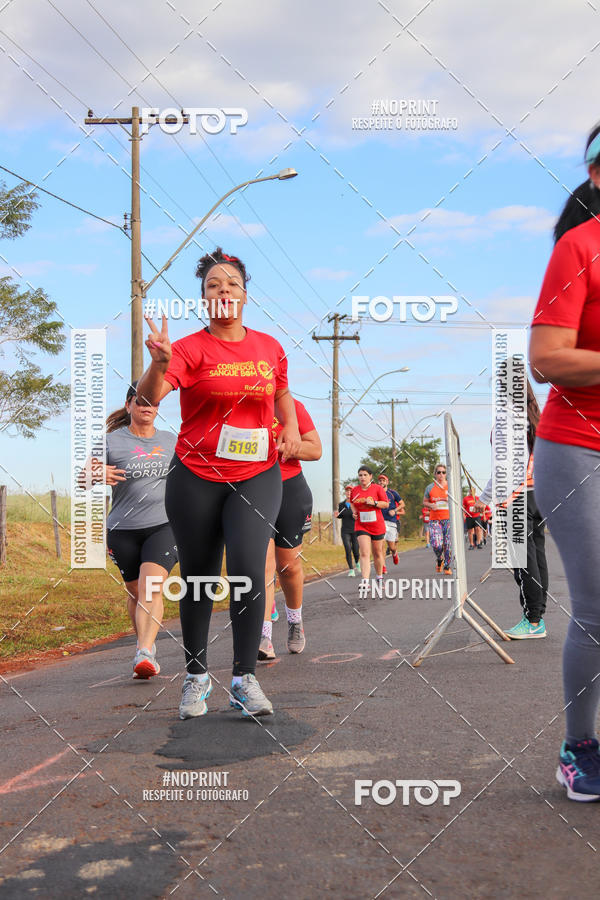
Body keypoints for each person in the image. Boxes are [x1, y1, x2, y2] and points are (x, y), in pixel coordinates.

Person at [136, 247, 301, 720]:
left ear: (245, 294)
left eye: (230, 282)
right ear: (204, 299)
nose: (222, 289)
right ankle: (194, 676)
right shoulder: (188, 348)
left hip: (257, 473)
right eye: (212, 285)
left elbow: (283, 392)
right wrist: (160, 364)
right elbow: (149, 399)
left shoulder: (270, 347)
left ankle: (244, 679)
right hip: (195, 475)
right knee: (200, 577)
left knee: (249, 570)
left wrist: (288, 428)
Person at [528, 125, 600, 799]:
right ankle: (581, 747)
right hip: (579, 447)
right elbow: (548, 359)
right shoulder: (580, 249)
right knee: (599, 607)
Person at [82, 382, 177, 679]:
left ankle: (145, 652)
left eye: (154, 402)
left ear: (158, 408)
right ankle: (143, 644)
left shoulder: (171, 440)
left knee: (151, 587)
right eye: (141, 401)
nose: (147, 406)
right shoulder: (110, 442)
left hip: (164, 526)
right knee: (136, 592)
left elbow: (194, 473)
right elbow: (84, 476)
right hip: (122, 529)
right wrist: (98, 474)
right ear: (129, 405)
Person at [477, 380, 549, 639]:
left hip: (517, 499)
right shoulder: (535, 417)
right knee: (537, 557)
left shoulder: (506, 421)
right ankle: (536, 619)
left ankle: (532, 621)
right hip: (539, 495)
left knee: (524, 561)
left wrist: (483, 498)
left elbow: (502, 468)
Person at [259, 399, 321, 660]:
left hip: (289, 489)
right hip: (253, 489)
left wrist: (287, 448)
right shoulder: (237, 403)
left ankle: (295, 621)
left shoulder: (290, 407)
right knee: (262, 565)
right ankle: (263, 634)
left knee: (288, 565)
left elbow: (315, 450)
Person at [350, 466, 389, 581]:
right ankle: (365, 581)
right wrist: (354, 512)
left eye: (365, 475)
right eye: (360, 475)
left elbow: (386, 504)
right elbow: (352, 503)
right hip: (361, 525)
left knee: (377, 553)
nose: (362, 477)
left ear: (370, 476)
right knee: (364, 552)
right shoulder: (355, 490)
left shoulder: (377, 489)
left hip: (377, 525)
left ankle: (379, 576)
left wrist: (374, 503)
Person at [423, 464, 452, 575]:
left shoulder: (450, 486)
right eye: (439, 472)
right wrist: (431, 505)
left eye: (443, 472)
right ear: (435, 474)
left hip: (448, 519)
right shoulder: (430, 487)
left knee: (448, 544)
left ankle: (447, 566)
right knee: (436, 544)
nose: (441, 474)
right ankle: (440, 558)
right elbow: (424, 502)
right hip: (435, 519)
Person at [377, 473, 404, 571]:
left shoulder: (392, 493)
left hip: (391, 522)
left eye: (383, 480)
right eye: (380, 480)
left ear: (387, 482)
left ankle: (394, 553)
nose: (381, 482)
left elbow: (402, 504)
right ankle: (383, 566)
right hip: (380, 522)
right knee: (381, 544)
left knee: (391, 546)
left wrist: (395, 511)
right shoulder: (375, 493)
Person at [337, 485, 360, 576]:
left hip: (355, 529)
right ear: (345, 493)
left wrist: (356, 516)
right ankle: (351, 570)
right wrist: (337, 515)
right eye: (347, 491)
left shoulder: (356, 503)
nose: (348, 493)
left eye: (350, 491)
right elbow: (341, 515)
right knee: (348, 549)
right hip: (345, 530)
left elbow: (359, 514)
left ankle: (357, 562)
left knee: (356, 550)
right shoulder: (341, 504)